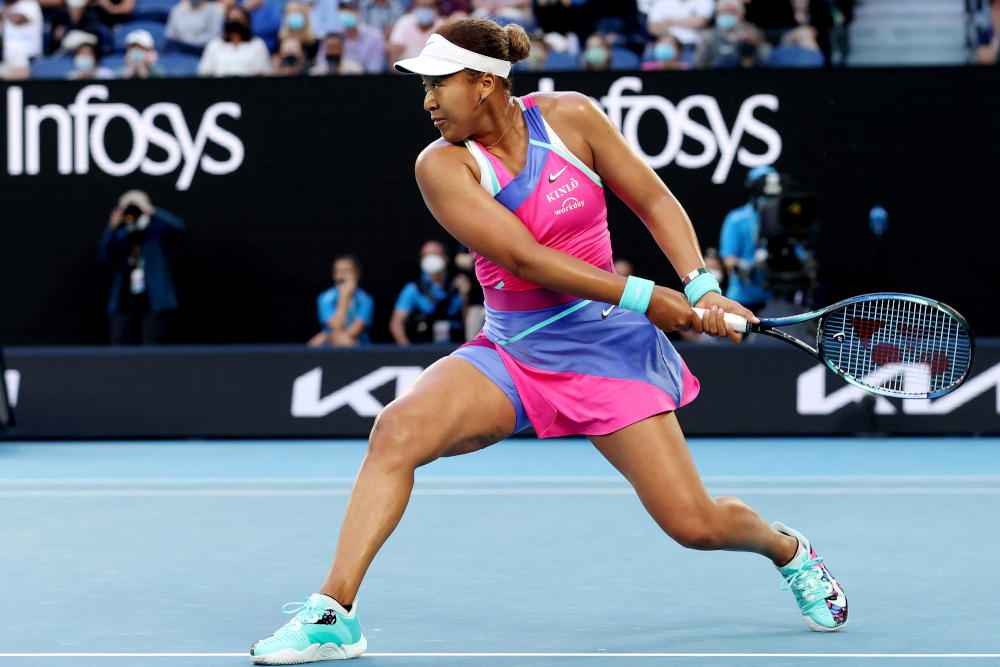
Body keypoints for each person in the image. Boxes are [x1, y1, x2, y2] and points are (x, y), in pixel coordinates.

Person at [249, 17, 847, 664]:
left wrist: (700, 288)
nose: (425, 100)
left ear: (484, 82)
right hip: (513, 351)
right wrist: (652, 297)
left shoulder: (572, 118)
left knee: (694, 523)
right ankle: (334, 612)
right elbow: (524, 257)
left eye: (437, 84)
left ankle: (787, 548)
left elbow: (652, 198)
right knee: (395, 430)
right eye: (421, 87)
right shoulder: (441, 165)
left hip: (606, 353)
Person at [99, 190, 185, 346]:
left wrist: (152, 211)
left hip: (152, 300)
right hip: (125, 300)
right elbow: (105, 256)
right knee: (117, 344)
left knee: (151, 346)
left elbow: (179, 227)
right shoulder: (122, 235)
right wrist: (111, 228)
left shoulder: (156, 231)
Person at [388, 240, 469, 344]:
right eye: (426, 256)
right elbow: (396, 323)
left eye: (435, 254)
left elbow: (469, 323)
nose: (431, 259)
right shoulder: (414, 288)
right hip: (425, 346)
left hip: (455, 345)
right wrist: (408, 351)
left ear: (446, 258)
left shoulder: (458, 283)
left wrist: (466, 296)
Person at [718, 165, 774, 313]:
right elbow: (728, 258)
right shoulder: (736, 219)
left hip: (774, 298)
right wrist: (743, 267)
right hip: (741, 299)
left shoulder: (783, 221)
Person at [308, 255, 375, 347]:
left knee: (343, 340)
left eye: (346, 271)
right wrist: (343, 298)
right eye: (338, 271)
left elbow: (353, 333)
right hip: (330, 343)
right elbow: (336, 326)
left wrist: (327, 336)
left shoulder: (365, 299)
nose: (341, 276)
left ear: (357, 274)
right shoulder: (325, 298)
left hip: (358, 345)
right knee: (314, 344)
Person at [198, 5, 272, 76]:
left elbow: (264, 73)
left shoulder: (257, 45)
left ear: (247, 23)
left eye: (238, 20)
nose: (235, 23)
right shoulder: (215, 45)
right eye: (232, 20)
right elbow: (205, 72)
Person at [693, 0, 766, 69]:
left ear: (741, 14)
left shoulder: (752, 32)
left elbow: (766, 59)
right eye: (723, 12)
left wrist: (756, 42)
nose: (727, 15)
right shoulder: (708, 36)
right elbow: (699, 64)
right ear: (717, 15)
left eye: (731, 11)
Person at [338, 1, 385, 72]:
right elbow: (323, 65)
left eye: (351, 9)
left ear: (359, 11)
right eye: (344, 9)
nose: (347, 13)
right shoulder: (333, 36)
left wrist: (355, 69)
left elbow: (375, 69)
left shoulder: (375, 37)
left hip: (365, 80)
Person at [646, 0, 714, 49]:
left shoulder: (704, 1)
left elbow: (701, 22)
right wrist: (690, 20)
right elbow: (653, 28)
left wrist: (671, 21)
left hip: (692, 46)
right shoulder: (661, 3)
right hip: (666, 46)